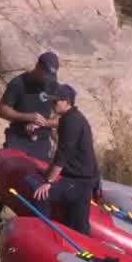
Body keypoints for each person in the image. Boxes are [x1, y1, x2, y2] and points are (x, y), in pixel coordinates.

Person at [0, 51, 61, 227]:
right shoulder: (19, 84)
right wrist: (28, 117)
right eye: (46, 74)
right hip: (18, 139)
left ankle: (33, 223)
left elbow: (61, 119)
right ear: (38, 67)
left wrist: (44, 123)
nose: (48, 79)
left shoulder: (53, 87)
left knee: (41, 182)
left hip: (41, 141)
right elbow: (2, 110)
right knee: (5, 175)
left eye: (51, 75)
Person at [32, 84, 101, 235]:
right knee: (77, 225)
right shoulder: (69, 117)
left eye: (55, 101)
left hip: (80, 181)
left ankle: (43, 234)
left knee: (42, 195)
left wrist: (48, 182)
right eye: (51, 101)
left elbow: (63, 154)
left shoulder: (72, 121)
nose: (52, 104)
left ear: (67, 102)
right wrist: (41, 126)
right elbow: (59, 129)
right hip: (78, 178)